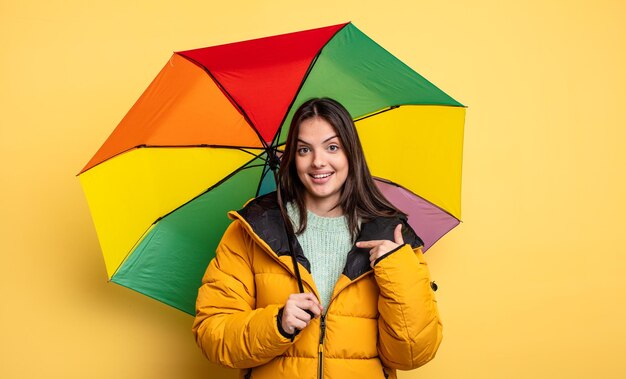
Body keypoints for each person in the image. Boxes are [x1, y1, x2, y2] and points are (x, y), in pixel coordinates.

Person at [193, 98, 442, 379]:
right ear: (292, 158)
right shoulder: (251, 231)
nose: (318, 161)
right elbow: (213, 336)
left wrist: (396, 271)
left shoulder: (391, 236)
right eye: (304, 150)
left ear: (351, 153)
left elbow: (413, 353)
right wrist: (277, 324)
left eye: (332, 147)